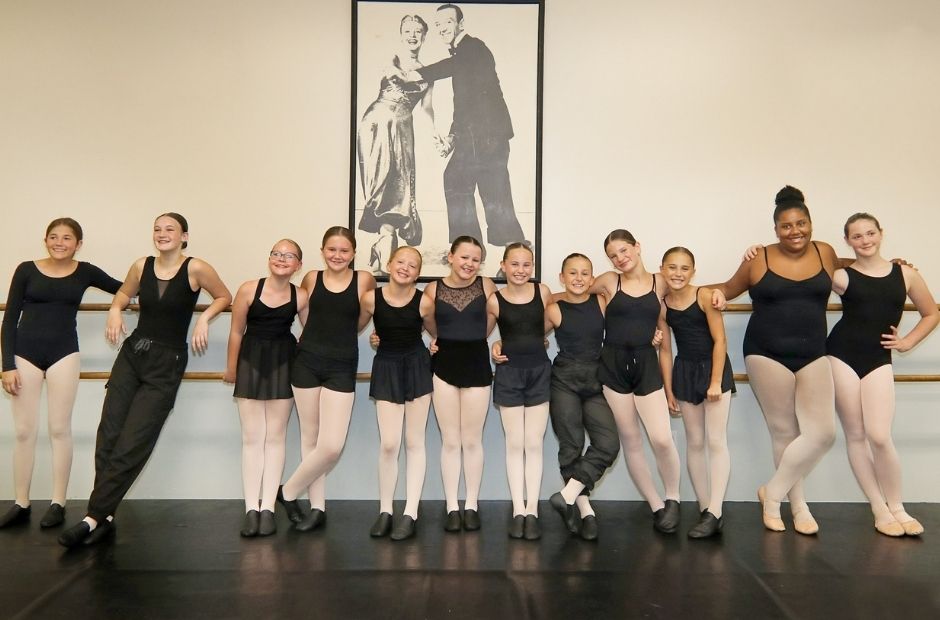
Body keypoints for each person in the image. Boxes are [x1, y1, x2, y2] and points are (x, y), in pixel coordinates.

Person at [58, 213, 232, 547]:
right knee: (108, 434)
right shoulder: (142, 265)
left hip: (166, 362)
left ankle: (92, 517)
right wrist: (114, 309)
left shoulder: (196, 268)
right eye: (157, 229)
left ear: (184, 236)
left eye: (170, 229)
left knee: (133, 441)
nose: (162, 234)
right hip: (132, 355)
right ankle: (104, 515)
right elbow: (124, 294)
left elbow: (224, 295)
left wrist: (204, 319)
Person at [713, 186, 840, 535]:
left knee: (823, 433)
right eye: (786, 226)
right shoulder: (759, 258)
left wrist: (894, 266)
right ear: (775, 229)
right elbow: (726, 288)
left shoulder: (826, 252)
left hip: (814, 351)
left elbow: (856, 268)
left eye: (801, 223)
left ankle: (772, 492)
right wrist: (681, 290)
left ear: (811, 224)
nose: (795, 230)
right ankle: (796, 506)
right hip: (766, 351)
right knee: (785, 431)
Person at [0, 218, 122, 529]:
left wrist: (117, 308)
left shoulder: (86, 272)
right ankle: (21, 502)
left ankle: (57, 502)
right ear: (45, 240)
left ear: (78, 244)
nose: (59, 242)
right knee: (25, 431)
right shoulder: (26, 269)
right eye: (53, 237)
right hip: (23, 355)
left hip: (64, 354)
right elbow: (10, 317)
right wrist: (7, 365)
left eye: (67, 238)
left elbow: (124, 289)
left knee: (59, 429)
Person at [827, 213, 938, 536]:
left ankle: (898, 506)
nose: (865, 240)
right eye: (857, 236)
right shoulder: (841, 276)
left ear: (881, 233)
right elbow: (806, 264)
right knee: (857, 435)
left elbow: (931, 313)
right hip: (841, 355)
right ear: (847, 241)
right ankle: (879, 508)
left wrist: (907, 342)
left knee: (880, 436)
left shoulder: (906, 275)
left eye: (870, 233)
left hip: (878, 358)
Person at [277, 227, 376, 532]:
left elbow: (361, 320)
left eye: (344, 250)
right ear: (322, 251)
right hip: (307, 361)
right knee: (311, 437)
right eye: (332, 249)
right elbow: (307, 317)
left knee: (331, 445)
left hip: (342, 364)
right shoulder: (311, 279)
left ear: (354, 253)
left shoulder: (364, 280)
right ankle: (317, 508)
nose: (337, 255)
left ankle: (287, 492)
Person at [402, 3, 525, 248]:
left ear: (461, 24)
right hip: (477, 137)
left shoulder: (473, 47)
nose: (442, 28)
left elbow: (453, 70)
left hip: (488, 137)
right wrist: (452, 138)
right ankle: (478, 246)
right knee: (475, 184)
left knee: (490, 190)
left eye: (447, 22)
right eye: (438, 25)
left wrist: (420, 72)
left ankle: (497, 248)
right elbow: (466, 104)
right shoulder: (461, 55)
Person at [590, 229, 682, 534]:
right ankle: (656, 505)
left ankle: (673, 497)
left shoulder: (661, 281)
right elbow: (575, 292)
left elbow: (691, 292)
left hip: (646, 364)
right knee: (631, 440)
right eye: (613, 255)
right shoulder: (608, 280)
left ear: (637, 247)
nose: (620, 258)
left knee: (661, 438)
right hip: (613, 366)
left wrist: (668, 388)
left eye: (624, 250)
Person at [223, 240, 307, 537]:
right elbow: (235, 331)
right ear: (269, 258)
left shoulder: (301, 296)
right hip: (251, 360)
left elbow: (309, 335)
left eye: (289, 256)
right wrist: (231, 368)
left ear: (298, 265)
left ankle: (269, 507)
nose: (282, 259)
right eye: (276, 253)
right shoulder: (248, 289)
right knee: (252, 438)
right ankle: (251, 508)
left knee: (275, 438)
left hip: (284, 361)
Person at [358, 246, 435, 540]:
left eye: (413, 265)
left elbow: (435, 331)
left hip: (416, 366)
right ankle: (386, 510)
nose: (405, 267)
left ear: (418, 272)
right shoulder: (370, 299)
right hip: (387, 366)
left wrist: (436, 345)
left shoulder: (425, 302)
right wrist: (375, 339)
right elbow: (355, 328)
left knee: (414, 442)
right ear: (389, 264)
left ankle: (410, 512)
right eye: (400, 262)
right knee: (389, 444)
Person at [422, 235, 497, 531]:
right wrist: (437, 341)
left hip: (476, 361)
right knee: (451, 440)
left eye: (475, 259)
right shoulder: (432, 288)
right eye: (464, 257)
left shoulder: (487, 286)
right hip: (444, 364)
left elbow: (491, 322)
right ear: (450, 256)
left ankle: (471, 504)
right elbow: (430, 324)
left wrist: (482, 340)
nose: (469, 264)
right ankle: (452, 505)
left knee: (472, 439)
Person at [543, 253, 620, 541]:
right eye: (572, 273)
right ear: (562, 278)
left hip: (595, 380)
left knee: (608, 443)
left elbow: (624, 326)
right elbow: (526, 336)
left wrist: (652, 337)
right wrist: (500, 342)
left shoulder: (600, 302)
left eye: (585, 273)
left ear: (592, 277)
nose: (578, 278)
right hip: (563, 381)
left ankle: (566, 495)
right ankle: (585, 511)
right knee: (571, 446)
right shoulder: (553, 308)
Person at [660, 247, 735, 539]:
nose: (678, 273)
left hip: (713, 370)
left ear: (693, 271)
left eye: (684, 268)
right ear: (663, 269)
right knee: (694, 442)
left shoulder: (705, 296)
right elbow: (665, 350)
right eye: (672, 268)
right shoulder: (664, 305)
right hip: (685, 371)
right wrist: (668, 389)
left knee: (716, 441)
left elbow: (721, 340)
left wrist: (715, 382)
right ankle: (706, 508)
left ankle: (716, 510)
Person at [357, 14, 436, 274]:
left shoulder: (428, 72)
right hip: (378, 121)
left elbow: (426, 108)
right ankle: (384, 241)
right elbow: (393, 73)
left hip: (404, 126)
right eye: (408, 31)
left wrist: (436, 133)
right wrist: (414, 73)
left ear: (424, 36)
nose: (413, 35)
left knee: (401, 182)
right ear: (402, 35)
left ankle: (385, 242)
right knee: (380, 181)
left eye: (418, 32)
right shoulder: (392, 58)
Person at [487, 243, 552, 540]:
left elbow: (549, 324)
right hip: (510, 374)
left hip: (539, 372)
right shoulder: (495, 300)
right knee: (515, 443)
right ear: (503, 265)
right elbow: (485, 334)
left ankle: (533, 510)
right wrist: (495, 346)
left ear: (533, 267)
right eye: (514, 264)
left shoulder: (543, 292)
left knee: (534, 444)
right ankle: (518, 510)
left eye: (526, 265)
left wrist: (540, 340)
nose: (520, 270)